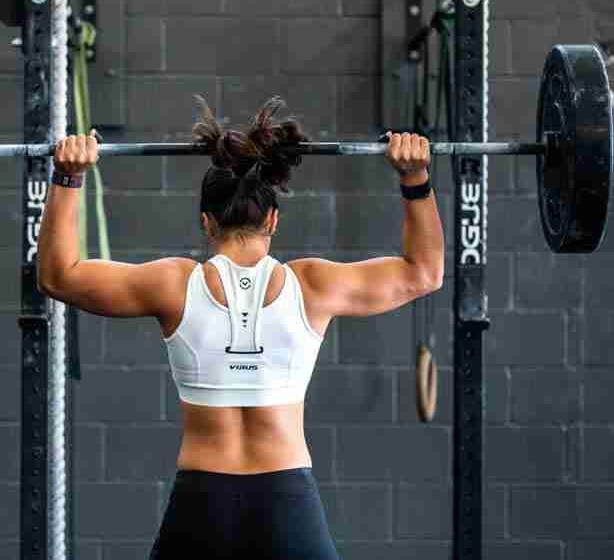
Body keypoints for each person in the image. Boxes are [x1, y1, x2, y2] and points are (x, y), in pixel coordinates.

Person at [38, 96, 444, 559]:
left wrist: (68, 177)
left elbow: (58, 276)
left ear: (206, 222)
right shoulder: (313, 285)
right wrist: (415, 178)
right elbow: (424, 273)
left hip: (201, 507)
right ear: (273, 218)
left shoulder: (173, 285)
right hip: (288, 504)